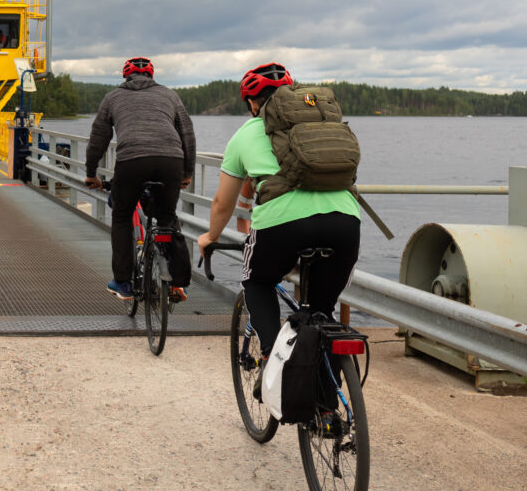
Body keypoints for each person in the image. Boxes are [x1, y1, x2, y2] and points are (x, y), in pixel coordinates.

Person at [197, 62, 361, 360]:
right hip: (345, 222)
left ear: (251, 103)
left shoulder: (245, 133)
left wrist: (211, 236)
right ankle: (325, 404)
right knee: (321, 313)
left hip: (282, 225)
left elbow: (223, 203)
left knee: (256, 280)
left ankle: (273, 360)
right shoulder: (323, 129)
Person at [84, 57, 196, 301]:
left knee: (122, 215)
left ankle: (123, 283)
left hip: (132, 160)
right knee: (167, 217)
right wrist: (187, 172)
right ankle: (179, 283)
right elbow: (187, 134)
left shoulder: (113, 97)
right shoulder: (170, 95)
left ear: (126, 77)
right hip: (170, 161)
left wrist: (91, 173)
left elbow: (98, 138)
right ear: (152, 76)